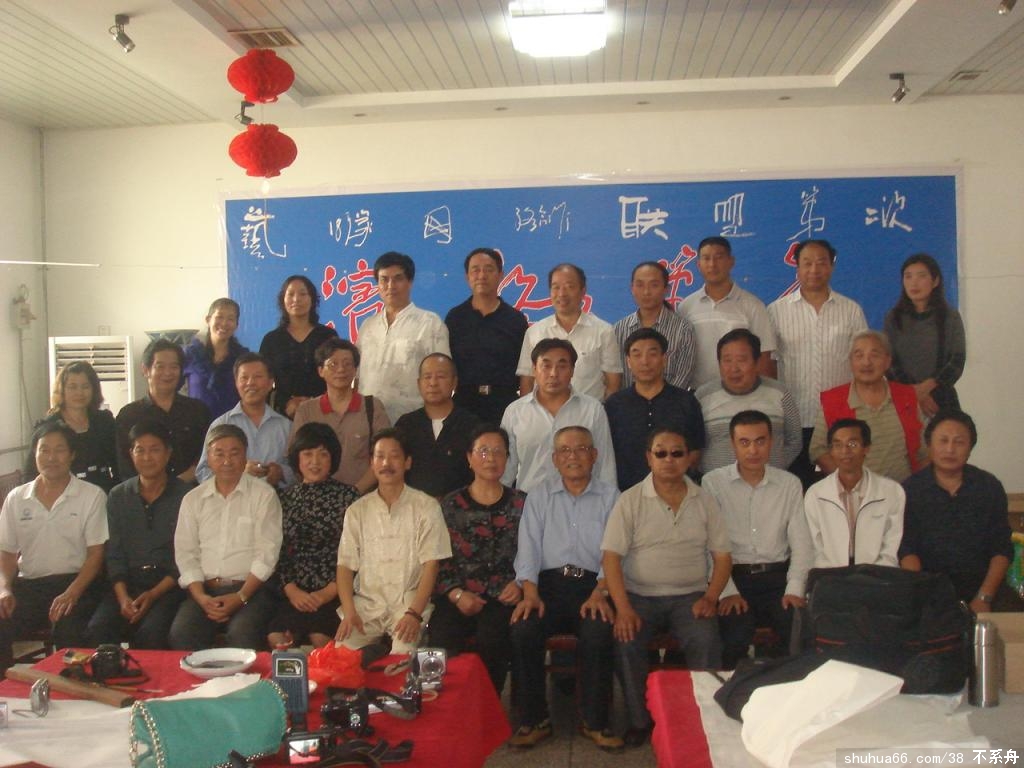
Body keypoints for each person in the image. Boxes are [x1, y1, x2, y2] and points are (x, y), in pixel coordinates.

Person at [603, 428, 732, 746]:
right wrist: (623, 609)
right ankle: (639, 721)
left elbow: (722, 556)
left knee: (706, 638)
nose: (669, 459)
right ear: (649, 458)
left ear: (689, 459)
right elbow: (611, 558)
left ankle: (707, 719)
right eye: (660, 453)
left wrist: (711, 597)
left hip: (690, 597)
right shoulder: (630, 500)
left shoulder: (705, 500)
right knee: (626, 639)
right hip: (639, 596)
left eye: (677, 453)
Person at [508, 426, 623, 752]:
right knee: (523, 629)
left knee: (599, 631)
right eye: (565, 451)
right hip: (547, 587)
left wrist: (601, 591)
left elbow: (615, 551)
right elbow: (528, 548)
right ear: (555, 459)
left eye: (581, 449)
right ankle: (535, 720)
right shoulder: (539, 496)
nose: (574, 456)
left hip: (593, 586)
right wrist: (530, 592)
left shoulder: (612, 497)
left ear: (594, 455)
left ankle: (594, 721)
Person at [702, 411, 812, 670]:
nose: (753, 450)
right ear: (733, 444)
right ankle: (734, 693)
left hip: (778, 578)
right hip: (733, 577)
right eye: (744, 442)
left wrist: (795, 588)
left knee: (798, 632)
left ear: (771, 442)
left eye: (760, 441)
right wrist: (726, 591)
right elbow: (707, 545)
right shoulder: (713, 483)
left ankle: (786, 692)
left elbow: (802, 543)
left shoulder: (789, 484)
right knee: (733, 638)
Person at [0, 422, 108, 671]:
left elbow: (95, 555)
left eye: (59, 450)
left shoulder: (91, 495)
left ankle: (70, 687)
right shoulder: (17, 498)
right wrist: (4, 588)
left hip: (77, 584)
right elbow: (6, 553)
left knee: (69, 628)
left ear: (72, 455)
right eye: (44, 450)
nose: (51, 457)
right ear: (35, 454)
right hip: (30, 585)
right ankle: (6, 689)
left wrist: (72, 592)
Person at [335, 429, 451, 654]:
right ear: (371, 463)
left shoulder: (426, 506)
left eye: (395, 456)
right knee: (341, 657)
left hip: (408, 603)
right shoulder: (357, 510)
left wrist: (414, 614)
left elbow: (431, 564)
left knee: (402, 658)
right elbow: (345, 566)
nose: (386, 463)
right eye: (380, 456)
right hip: (366, 605)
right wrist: (349, 613)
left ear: (408, 462)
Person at [430, 424, 525, 694]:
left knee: (492, 638)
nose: (491, 458)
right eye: (483, 451)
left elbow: (535, 553)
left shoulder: (521, 504)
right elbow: (438, 559)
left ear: (507, 459)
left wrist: (520, 583)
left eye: (498, 452)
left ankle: (487, 707)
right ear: (469, 458)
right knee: (441, 636)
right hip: (457, 594)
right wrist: (456, 594)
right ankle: (448, 708)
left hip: (503, 596)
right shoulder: (450, 505)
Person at [169, 424, 282, 650]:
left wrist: (240, 596)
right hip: (205, 591)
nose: (227, 461)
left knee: (242, 635)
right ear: (208, 458)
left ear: (245, 455)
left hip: (251, 591)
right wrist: (201, 597)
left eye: (234, 453)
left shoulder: (264, 495)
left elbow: (267, 554)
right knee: (182, 633)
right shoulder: (193, 499)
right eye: (219, 454)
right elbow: (186, 553)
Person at [767, 239, 867, 487]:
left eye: (821, 263)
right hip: (793, 419)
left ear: (831, 266)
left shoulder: (851, 310)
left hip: (839, 420)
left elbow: (864, 364)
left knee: (841, 488)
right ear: (797, 267)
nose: (814, 270)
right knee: (795, 488)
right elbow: (769, 366)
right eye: (807, 263)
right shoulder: (776, 311)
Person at [87, 421, 189, 648]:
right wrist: (123, 597)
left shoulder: (186, 495)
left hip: (168, 587)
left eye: (155, 449)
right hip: (127, 585)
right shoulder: (118, 496)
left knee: (151, 634)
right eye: (139, 450)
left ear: (168, 453)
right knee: (98, 629)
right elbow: (114, 554)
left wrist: (153, 594)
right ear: (131, 454)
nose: (147, 457)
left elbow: (186, 556)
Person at [899, 410, 1012, 611]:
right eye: (943, 441)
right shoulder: (910, 490)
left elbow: (1001, 548)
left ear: (970, 448)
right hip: (929, 590)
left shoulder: (988, 486)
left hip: (985, 589)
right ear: (929, 445)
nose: (950, 449)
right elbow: (907, 550)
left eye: (959, 442)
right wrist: (923, 597)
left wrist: (984, 597)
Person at [267, 423, 357, 650]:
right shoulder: (284, 499)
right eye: (307, 454)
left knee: (319, 639)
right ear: (297, 458)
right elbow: (277, 551)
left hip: (336, 591)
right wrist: (291, 590)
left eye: (323, 454)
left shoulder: (349, 497)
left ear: (333, 458)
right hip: (294, 592)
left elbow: (358, 552)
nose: (315, 462)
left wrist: (329, 591)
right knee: (277, 639)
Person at [501, 338, 616, 492]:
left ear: (572, 370)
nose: (553, 374)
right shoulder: (515, 412)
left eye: (562, 367)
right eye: (546, 366)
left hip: (582, 500)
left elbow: (605, 465)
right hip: (529, 500)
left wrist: (609, 502)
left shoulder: (592, 409)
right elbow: (506, 469)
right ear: (534, 369)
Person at [809, 330, 925, 483]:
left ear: (887, 361)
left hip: (903, 491)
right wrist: (851, 481)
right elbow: (818, 450)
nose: (866, 362)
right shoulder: (833, 400)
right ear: (850, 362)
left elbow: (924, 451)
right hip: (852, 490)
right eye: (859, 356)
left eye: (874, 355)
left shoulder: (907, 397)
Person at [604, 328, 705, 490]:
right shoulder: (614, 405)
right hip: (626, 494)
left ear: (664, 359)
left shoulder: (686, 401)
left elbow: (695, 451)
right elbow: (607, 455)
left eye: (652, 354)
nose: (645, 361)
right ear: (628, 362)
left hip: (676, 491)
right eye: (637, 355)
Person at [357, 251, 451, 424]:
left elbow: (443, 376)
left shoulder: (430, 323)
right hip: (367, 421)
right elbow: (356, 378)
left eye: (398, 279)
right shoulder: (367, 326)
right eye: (384, 279)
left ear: (410, 282)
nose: (390, 286)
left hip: (414, 421)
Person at [291, 338, 390, 494]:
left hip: (363, 497)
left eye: (347, 364)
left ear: (355, 370)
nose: (341, 369)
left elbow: (384, 456)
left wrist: (354, 492)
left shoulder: (372, 407)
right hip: (317, 498)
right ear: (320, 371)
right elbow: (295, 456)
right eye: (333, 364)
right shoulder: (306, 410)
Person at [696, 329, 801, 473]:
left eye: (741, 360)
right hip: (715, 484)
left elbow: (794, 440)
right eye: (727, 360)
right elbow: (693, 446)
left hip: (770, 482)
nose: (734, 368)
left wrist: (775, 468)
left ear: (757, 362)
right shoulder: (703, 396)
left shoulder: (780, 393)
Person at [804, 418, 904, 568]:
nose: (845, 451)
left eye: (852, 444)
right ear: (830, 450)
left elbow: (891, 548)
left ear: (866, 448)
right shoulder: (815, 494)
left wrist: (874, 575)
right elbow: (815, 549)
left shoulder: (892, 491)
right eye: (838, 445)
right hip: (829, 575)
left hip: (878, 574)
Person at [678, 236, 776, 387]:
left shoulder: (753, 306)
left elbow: (764, 356)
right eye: (706, 258)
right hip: (698, 394)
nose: (712, 264)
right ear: (698, 264)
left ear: (731, 261)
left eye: (719, 257)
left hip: (741, 393)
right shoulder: (686, 306)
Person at [445, 247, 528, 424]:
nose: (482, 275)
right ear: (467, 276)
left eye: (489, 269)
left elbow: (526, 372)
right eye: (475, 270)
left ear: (500, 275)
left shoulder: (515, 320)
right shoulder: (455, 318)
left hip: (505, 404)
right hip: (464, 403)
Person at [516, 263, 622, 401]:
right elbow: (527, 383)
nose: (562, 294)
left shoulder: (603, 331)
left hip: (588, 414)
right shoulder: (534, 332)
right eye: (556, 287)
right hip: (543, 413)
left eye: (569, 287)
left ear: (583, 291)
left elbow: (613, 384)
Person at [115, 338, 212, 483]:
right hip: (145, 494)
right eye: (160, 366)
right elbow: (124, 467)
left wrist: (179, 484)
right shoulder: (129, 415)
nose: (168, 373)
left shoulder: (198, 411)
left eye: (174, 367)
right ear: (145, 370)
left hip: (192, 490)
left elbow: (208, 455)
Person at [884, 253, 966, 417]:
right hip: (903, 398)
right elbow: (889, 362)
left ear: (935, 281)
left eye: (921, 276)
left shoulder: (950, 317)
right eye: (908, 276)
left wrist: (929, 386)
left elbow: (957, 360)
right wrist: (914, 392)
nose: (914, 283)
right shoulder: (894, 318)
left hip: (941, 397)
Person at [195, 353, 293, 487]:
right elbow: (202, 472)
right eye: (244, 378)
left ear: (271, 383)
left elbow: (299, 471)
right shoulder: (221, 425)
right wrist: (236, 474)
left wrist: (282, 473)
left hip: (276, 497)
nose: (250, 383)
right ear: (236, 383)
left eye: (257, 377)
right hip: (230, 498)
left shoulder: (286, 427)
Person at [394, 354, 480, 498]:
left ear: (454, 383)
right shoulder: (406, 425)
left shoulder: (471, 425)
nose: (433, 383)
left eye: (441, 377)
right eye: (427, 377)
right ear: (418, 383)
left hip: (460, 507)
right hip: (412, 507)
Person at [26, 361, 118, 492]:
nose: (79, 393)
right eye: (72, 387)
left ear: (94, 389)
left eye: (85, 386)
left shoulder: (105, 421)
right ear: (61, 390)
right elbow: (31, 473)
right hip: (62, 495)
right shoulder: (47, 427)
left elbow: (118, 463)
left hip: (103, 493)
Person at [259, 275, 339, 419]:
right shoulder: (271, 340)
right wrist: (286, 403)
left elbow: (338, 376)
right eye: (290, 294)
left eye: (303, 294)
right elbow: (262, 381)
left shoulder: (328, 336)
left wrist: (314, 403)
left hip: (325, 413)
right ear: (283, 300)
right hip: (282, 416)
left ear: (312, 299)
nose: (296, 299)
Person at [613, 261, 696, 390]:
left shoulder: (684, 329)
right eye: (640, 285)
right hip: (627, 402)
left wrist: (659, 400)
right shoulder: (619, 329)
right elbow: (615, 376)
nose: (646, 292)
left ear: (666, 289)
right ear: (632, 289)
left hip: (670, 401)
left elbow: (683, 376)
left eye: (654, 285)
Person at [184, 297, 250, 419]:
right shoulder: (191, 354)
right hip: (197, 424)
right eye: (219, 317)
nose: (224, 323)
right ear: (208, 320)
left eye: (230, 319)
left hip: (233, 424)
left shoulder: (243, 357)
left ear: (236, 325)